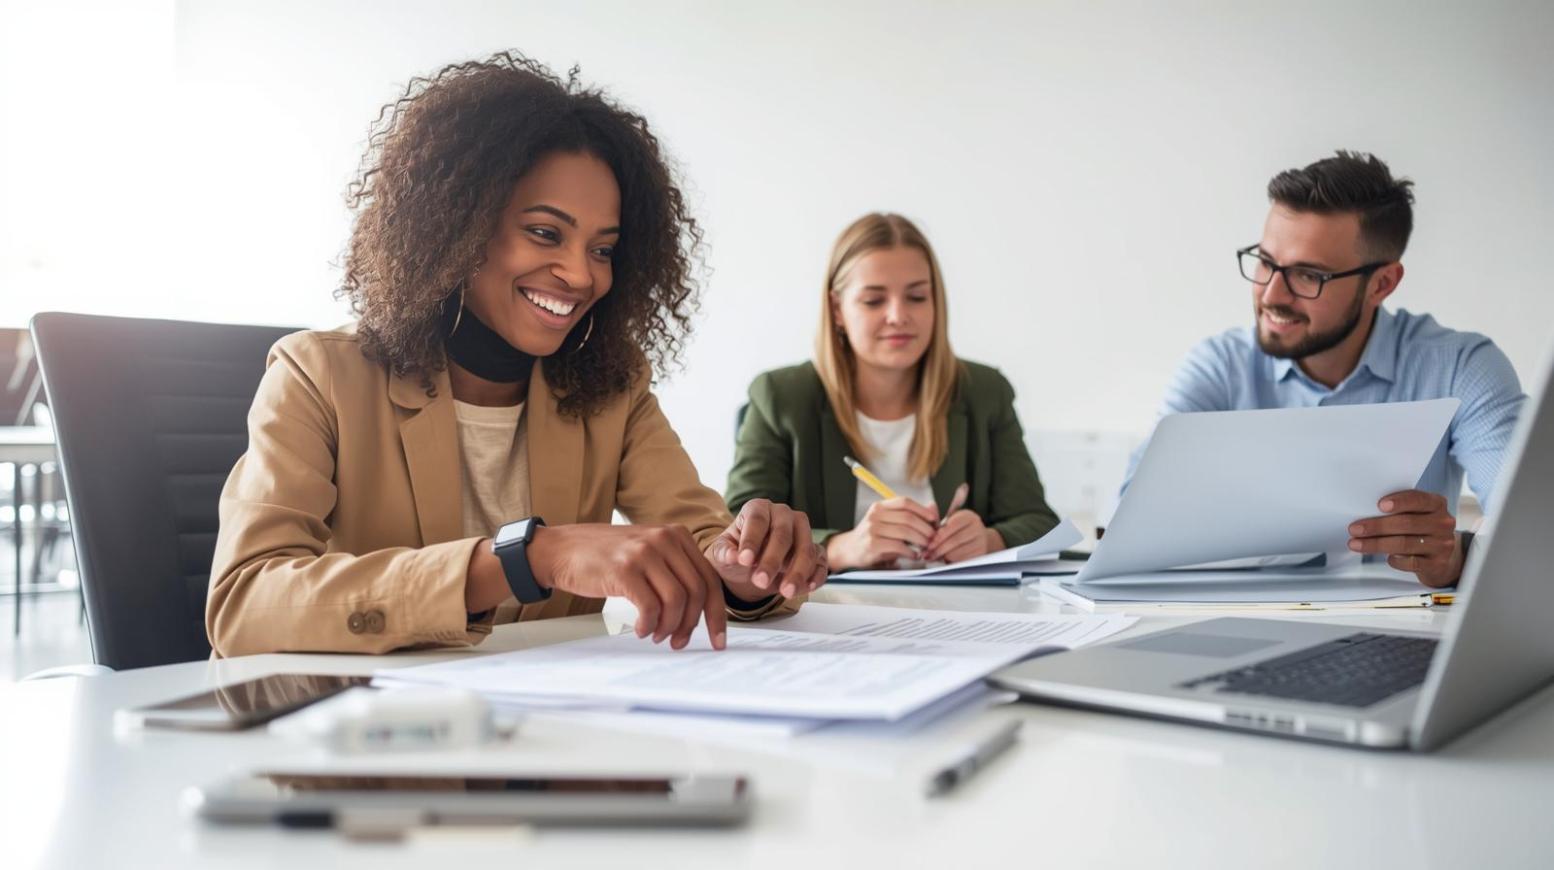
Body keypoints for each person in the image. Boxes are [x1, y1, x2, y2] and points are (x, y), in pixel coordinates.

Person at [207, 52, 827, 657]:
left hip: (546, 734)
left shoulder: (611, 388)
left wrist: (746, 566)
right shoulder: (317, 375)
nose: (581, 276)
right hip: (368, 737)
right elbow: (245, 603)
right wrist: (530, 557)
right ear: (457, 227)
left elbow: (701, 540)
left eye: (603, 249)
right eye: (545, 233)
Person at [1120, 151, 1524, 588]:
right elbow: (1128, 521)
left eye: (1308, 275)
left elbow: (1533, 529)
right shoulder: (1220, 367)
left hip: (1399, 633)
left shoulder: (1461, 367)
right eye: (1266, 262)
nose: (1271, 295)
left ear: (1381, 284)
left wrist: (1457, 558)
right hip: (1236, 622)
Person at [726, 213, 1059, 571]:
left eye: (916, 297)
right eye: (873, 301)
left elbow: (1039, 522)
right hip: (837, 614)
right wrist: (839, 549)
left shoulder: (983, 392)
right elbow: (738, 529)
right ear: (837, 309)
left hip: (960, 611)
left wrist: (991, 541)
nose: (898, 316)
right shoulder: (781, 396)